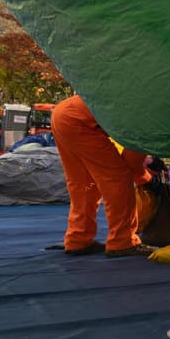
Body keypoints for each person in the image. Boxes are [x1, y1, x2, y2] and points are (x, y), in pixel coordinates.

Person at [50, 94, 156, 257]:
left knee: (83, 182)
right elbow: (132, 165)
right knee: (118, 179)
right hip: (81, 122)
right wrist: (148, 178)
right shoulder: (151, 120)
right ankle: (123, 242)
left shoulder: (141, 102)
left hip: (62, 114)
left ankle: (78, 239)